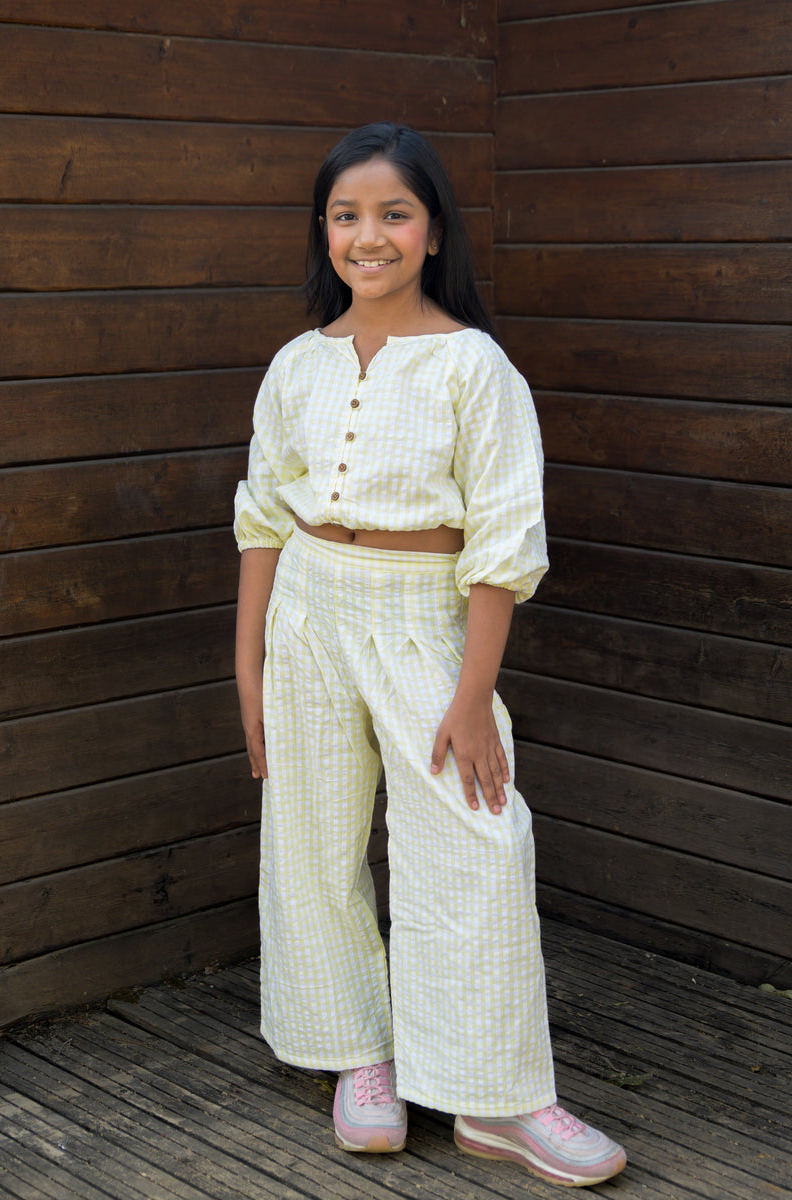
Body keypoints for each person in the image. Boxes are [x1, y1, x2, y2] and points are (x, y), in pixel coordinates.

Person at [233, 121, 626, 1189]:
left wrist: (474, 690)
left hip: (422, 618)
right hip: (307, 611)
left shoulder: (474, 368)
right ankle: (359, 1053)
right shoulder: (296, 366)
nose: (370, 235)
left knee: (477, 841)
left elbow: (503, 544)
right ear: (323, 233)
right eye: (347, 215)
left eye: (394, 213)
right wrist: (248, 666)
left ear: (434, 231)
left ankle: (499, 1099)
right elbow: (263, 515)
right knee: (310, 836)